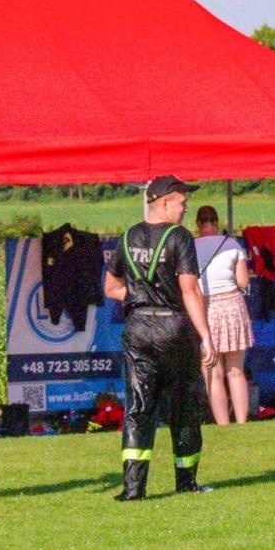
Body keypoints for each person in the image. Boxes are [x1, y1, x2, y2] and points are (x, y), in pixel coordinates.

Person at [103, 175, 215, 500]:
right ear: (164, 202)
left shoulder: (126, 237)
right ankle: (187, 482)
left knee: (139, 407)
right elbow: (190, 289)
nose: (186, 207)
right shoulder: (179, 237)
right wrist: (205, 335)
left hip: (137, 329)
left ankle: (133, 490)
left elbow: (110, 288)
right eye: (182, 202)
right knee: (183, 407)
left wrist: (139, 297)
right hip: (174, 329)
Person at [193, 205, 253, 425]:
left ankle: (222, 424)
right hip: (232, 306)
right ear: (217, 222)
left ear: (198, 224)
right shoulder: (232, 245)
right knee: (236, 371)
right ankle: (242, 422)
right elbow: (243, 282)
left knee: (213, 372)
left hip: (204, 309)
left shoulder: (189, 246)